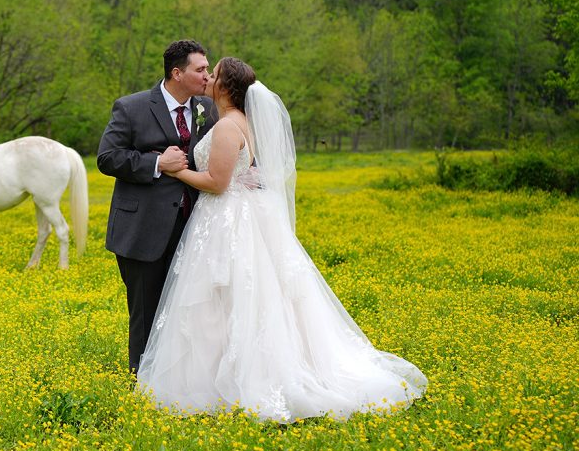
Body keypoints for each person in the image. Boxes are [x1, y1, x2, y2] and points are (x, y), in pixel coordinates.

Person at [137, 57, 428, 422]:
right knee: (227, 302)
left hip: (227, 220)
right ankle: (218, 372)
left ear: (226, 88)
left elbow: (217, 182)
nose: (208, 78)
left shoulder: (228, 127)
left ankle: (226, 380)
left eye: (215, 74)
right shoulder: (238, 122)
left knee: (226, 298)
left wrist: (178, 172)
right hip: (231, 217)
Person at [97, 40, 219, 374]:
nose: (207, 75)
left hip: (194, 229)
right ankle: (141, 382)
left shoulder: (208, 109)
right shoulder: (131, 107)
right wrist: (157, 163)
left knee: (187, 312)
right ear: (177, 73)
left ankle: (179, 381)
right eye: (200, 69)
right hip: (142, 232)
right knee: (145, 313)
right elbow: (107, 158)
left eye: (207, 68)